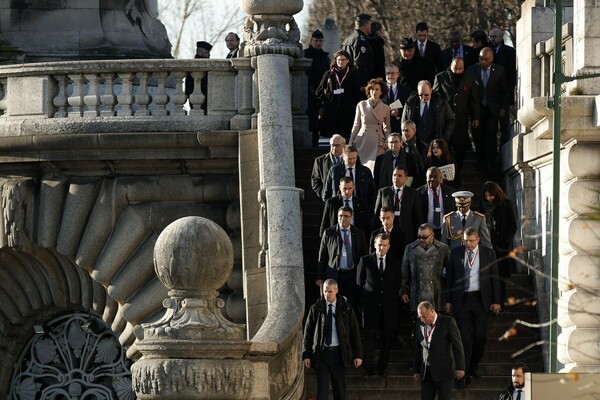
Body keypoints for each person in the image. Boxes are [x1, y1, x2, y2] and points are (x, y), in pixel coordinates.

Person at [445, 227, 501, 386]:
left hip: (481, 300)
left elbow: (495, 278)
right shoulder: (455, 253)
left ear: (478, 240)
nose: (468, 244)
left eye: (471, 241)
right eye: (465, 240)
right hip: (462, 301)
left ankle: (474, 364)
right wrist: (448, 300)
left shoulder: (488, 253)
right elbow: (450, 278)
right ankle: (464, 375)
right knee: (465, 339)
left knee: (480, 337)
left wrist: (496, 300)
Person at [302, 279, 363, 400]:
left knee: (339, 389)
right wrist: (306, 354)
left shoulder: (346, 309)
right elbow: (307, 333)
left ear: (336, 291)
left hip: (338, 354)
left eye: (330, 291)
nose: (327, 294)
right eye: (325, 291)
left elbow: (355, 332)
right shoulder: (316, 308)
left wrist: (358, 355)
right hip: (321, 353)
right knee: (322, 391)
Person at [356, 233, 402, 376]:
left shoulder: (395, 261)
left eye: (384, 245)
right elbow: (359, 282)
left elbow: (397, 282)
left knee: (386, 339)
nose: (381, 248)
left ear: (389, 246)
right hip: (371, 306)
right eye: (379, 245)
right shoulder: (365, 260)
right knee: (369, 338)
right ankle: (367, 367)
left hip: (389, 307)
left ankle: (383, 367)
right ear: (374, 245)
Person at [433, 56, 480, 171]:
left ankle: (457, 170)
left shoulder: (469, 79)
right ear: (451, 66)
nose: (458, 71)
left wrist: (476, 117)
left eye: (460, 68)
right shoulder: (441, 77)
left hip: (461, 118)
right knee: (445, 145)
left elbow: (473, 100)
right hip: (445, 118)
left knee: (461, 145)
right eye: (456, 68)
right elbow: (435, 96)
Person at [466, 47, 508, 179]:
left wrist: (503, 107)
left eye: (486, 59)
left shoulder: (499, 71)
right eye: (480, 58)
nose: (482, 61)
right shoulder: (472, 70)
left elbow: (504, 91)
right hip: (476, 109)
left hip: (492, 109)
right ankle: (480, 162)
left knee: (490, 135)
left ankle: (490, 165)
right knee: (477, 135)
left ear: (492, 59)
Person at [413, 301, 465, 400]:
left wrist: (460, 367)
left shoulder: (448, 322)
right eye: (420, 317)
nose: (423, 320)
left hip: (444, 370)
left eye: (424, 316)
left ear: (432, 311)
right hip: (426, 372)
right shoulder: (420, 325)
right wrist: (416, 369)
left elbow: (458, 346)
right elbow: (418, 348)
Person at [317, 206, 368, 306]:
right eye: (340, 216)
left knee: (351, 304)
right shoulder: (329, 233)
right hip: (334, 273)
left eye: (346, 216)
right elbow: (322, 256)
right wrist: (319, 277)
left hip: (352, 274)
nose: (342, 218)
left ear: (351, 217)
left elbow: (364, 255)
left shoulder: (359, 233)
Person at [476, 181, 518, 302]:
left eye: (491, 195)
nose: (489, 198)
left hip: (501, 245)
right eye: (486, 196)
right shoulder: (482, 205)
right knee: (487, 275)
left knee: (500, 276)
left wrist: (506, 241)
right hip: (486, 243)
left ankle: (500, 302)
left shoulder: (506, 204)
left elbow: (513, 225)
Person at [401, 224, 450, 313]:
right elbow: (404, 272)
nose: (421, 240)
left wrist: (448, 298)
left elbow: (450, 273)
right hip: (417, 292)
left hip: (436, 293)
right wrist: (403, 291)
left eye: (424, 237)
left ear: (432, 235)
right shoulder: (410, 248)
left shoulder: (443, 249)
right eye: (419, 237)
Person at [316, 50, 363, 142]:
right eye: (338, 60)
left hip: (347, 110)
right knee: (332, 136)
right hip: (331, 109)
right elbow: (319, 91)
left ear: (348, 60)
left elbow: (357, 93)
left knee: (346, 135)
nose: (340, 62)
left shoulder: (353, 74)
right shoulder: (329, 74)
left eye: (343, 60)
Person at [402, 80, 455, 158]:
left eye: (426, 95)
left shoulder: (441, 102)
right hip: (416, 143)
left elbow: (451, 120)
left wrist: (444, 138)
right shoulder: (410, 103)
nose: (423, 98)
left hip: (435, 142)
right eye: (421, 95)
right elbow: (404, 122)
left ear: (431, 90)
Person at [349, 78, 391, 174]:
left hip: (378, 142)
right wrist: (351, 141)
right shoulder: (361, 105)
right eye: (372, 89)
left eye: (377, 89)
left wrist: (387, 140)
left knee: (375, 170)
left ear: (381, 92)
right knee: (361, 168)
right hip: (362, 140)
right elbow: (356, 125)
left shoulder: (385, 108)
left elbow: (387, 127)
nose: (374, 92)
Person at [373, 165, 423, 245]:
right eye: (394, 175)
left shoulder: (413, 193)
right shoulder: (384, 192)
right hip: (387, 235)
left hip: (406, 235)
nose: (396, 178)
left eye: (399, 175)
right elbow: (376, 216)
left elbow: (417, 217)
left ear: (406, 178)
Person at [324, 145, 377, 212]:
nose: (352, 161)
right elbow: (327, 192)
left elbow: (372, 192)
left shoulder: (365, 171)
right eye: (349, 159)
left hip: (360, 209)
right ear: (343, 157)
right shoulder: (334, 171)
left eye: (354, 158)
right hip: (339, 209)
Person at [488, 28, 517, 147]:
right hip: (490, 95)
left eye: (494, 36)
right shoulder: (486, 51)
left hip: (504, 94)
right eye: (490, 36)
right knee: (490, 127)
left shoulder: (510, 52)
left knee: (504, 125)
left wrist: (508, 91)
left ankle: (504, 151)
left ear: (501, 38)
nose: (492, 39)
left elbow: (512, 74)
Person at [305, 29, 331, 147]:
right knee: (311, 120)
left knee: (320, 121)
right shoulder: (305, 54)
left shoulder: (325, 57)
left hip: (322, 93)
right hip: (309, 92)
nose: (318, 43)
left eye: (320, 41)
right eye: (316, 41)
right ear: (311, 41)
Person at [417, 167, 455, 240]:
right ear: (426, 178)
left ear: (441, 178)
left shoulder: (450, 192)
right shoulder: (418, 193)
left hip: (445, 232)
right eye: (430, 177)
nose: (432, 179)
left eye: (435, 177)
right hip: (426, 234)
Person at [341, 13, 374, 87]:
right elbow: (360, 64)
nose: (370, 27)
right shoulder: (360, 40)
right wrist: (363, 84)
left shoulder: (347, 40)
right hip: (358, 83)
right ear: (366, 25)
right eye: (370, 24)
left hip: (348, 80)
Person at [311, 134, 346, 202]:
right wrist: (323, 193)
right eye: (333, 145)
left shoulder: (349, 159)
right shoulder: (320, 161)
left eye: (337, 145)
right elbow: (315, 180)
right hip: (328, 200)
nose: (334, 148)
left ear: (343, 145)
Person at [383, 64, 412, 133]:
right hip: (383, 128)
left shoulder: (407, 91)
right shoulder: (379, 90)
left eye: (393, 73)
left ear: (398, 74)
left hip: (400, 128)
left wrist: (399, 112)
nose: (390, 76)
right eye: (388, 73)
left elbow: (410, 109)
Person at [414, 22, 443, 87]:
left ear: (427, 33)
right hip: (415, 82)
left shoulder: (435, 47)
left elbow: (440, 67)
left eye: (424, 35)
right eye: (420, 35)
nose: (422, 38)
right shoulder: (412, 47)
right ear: (416, 34)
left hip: (431, 81)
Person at [400, 120, 426, 186]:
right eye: (402, 131)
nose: (404, 133)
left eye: (407, 130)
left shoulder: (423, 147)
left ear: (414, 130)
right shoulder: (399, 146)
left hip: (420, 181)